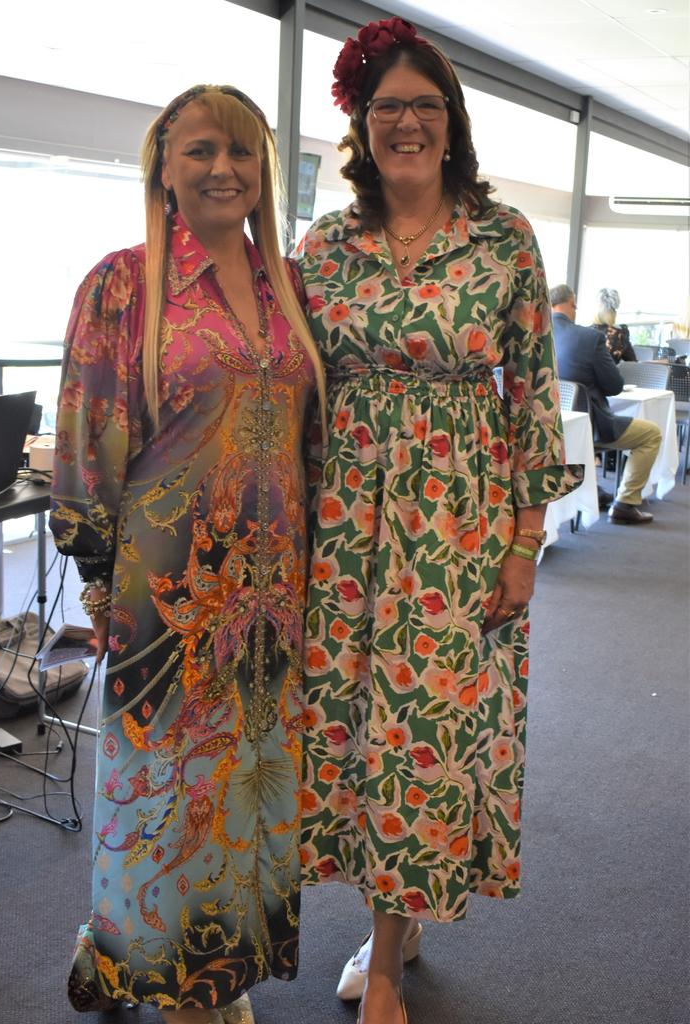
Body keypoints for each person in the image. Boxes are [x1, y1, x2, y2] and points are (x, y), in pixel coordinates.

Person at [295, 18, 581, 1024]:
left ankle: (382, 959)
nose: (406, 122)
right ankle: (388, 922)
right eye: (388, 108)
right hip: (340, 522)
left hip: (456, 524)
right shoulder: (324, 246)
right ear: (361, 125)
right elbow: (284, 384)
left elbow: (535, 395)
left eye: (425, 105)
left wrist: (524, 538)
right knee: (346, 727)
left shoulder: (505, 240)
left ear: (451, 122)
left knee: (420, 732)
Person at [50, 84, 325, 1024]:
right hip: (167, 591)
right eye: (201, 150)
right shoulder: (124, 284)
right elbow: (91, 440)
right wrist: (94, 581)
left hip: (272, 594)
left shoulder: (290, 290)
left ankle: (204, 966)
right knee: (158, 791)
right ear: (163, 166)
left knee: (249, 786)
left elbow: (311, 444)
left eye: (242, 152)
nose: (223, 169)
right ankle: (166, 979)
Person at [551, 284, 661, 525]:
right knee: (651, 434)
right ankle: (625, 503)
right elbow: (614, 386)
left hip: (546, 427)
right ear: (571, 304)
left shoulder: (534, 335)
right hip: (588, 426)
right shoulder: (589, 338)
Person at [590, 287, 636, 363]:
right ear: (614, 311)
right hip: (609, 374)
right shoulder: (620, 334)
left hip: (583, 374)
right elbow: (632, 361)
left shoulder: (585, 332)